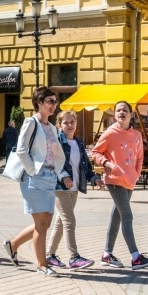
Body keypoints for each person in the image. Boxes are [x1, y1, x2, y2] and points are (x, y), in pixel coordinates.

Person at [4, 87, 71, 277]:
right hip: (35, 177)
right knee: (42, 223)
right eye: (49, 101)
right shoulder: (30, 122)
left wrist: (62, 174)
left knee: (45, 222)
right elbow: (22, 150)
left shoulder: (51, 127)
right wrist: (33, 171)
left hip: (50, 177)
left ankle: (13, 244)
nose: (53, 105)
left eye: (55, 101)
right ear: (39, 103)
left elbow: (55, 155)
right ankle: (42, 265)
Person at [92, 101, 148, 269]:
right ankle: (135, 257)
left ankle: (107, 254)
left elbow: (140, 157)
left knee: (117, 216)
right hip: (114, 180)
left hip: (130, 181)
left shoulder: (136, 135)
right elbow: (95, 152)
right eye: (118, 110)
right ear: (115, 115)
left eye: (125, 110)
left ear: (131, 114)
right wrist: (107, 163)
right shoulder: (110, 133)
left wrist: (135, 174)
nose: (122, 112)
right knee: (127, 216)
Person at [45, 110, 103, 271]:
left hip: (75, 187)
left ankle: (50, 255)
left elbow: (85, 165)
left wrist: (94, 178)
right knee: (69, 221)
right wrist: (64, 176)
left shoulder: (79, 142)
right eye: (65, 123)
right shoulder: (57, 141)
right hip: (60, 187)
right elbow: (54, 162)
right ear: (59, 125)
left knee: (60, 223)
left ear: (76, 123)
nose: (69, 125)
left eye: (72, 122)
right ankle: (74, 258)